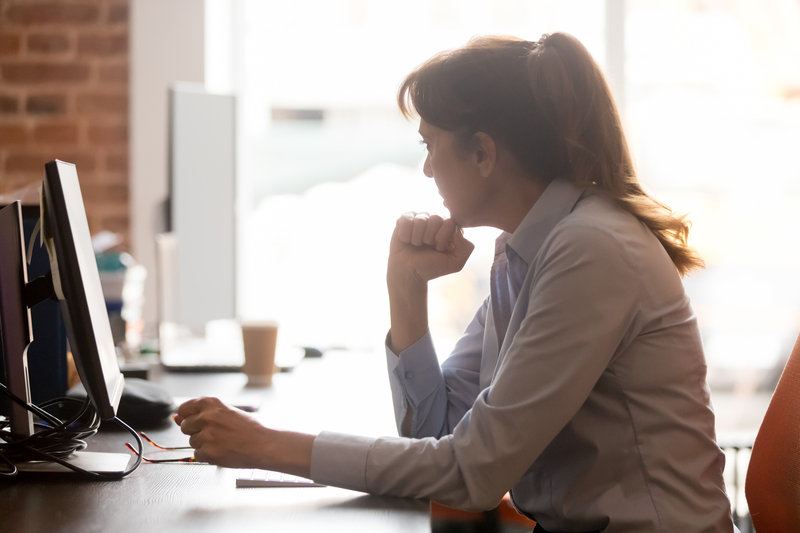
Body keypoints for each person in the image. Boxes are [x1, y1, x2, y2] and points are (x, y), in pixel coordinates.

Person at [175, 33, 735, 532]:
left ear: (483, 152)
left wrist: (268, 445)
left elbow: (473, 472)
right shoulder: (526, 253)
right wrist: (405, 288)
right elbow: (436, 440)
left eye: (428, 145)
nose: (425, 169)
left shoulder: (590, 250)